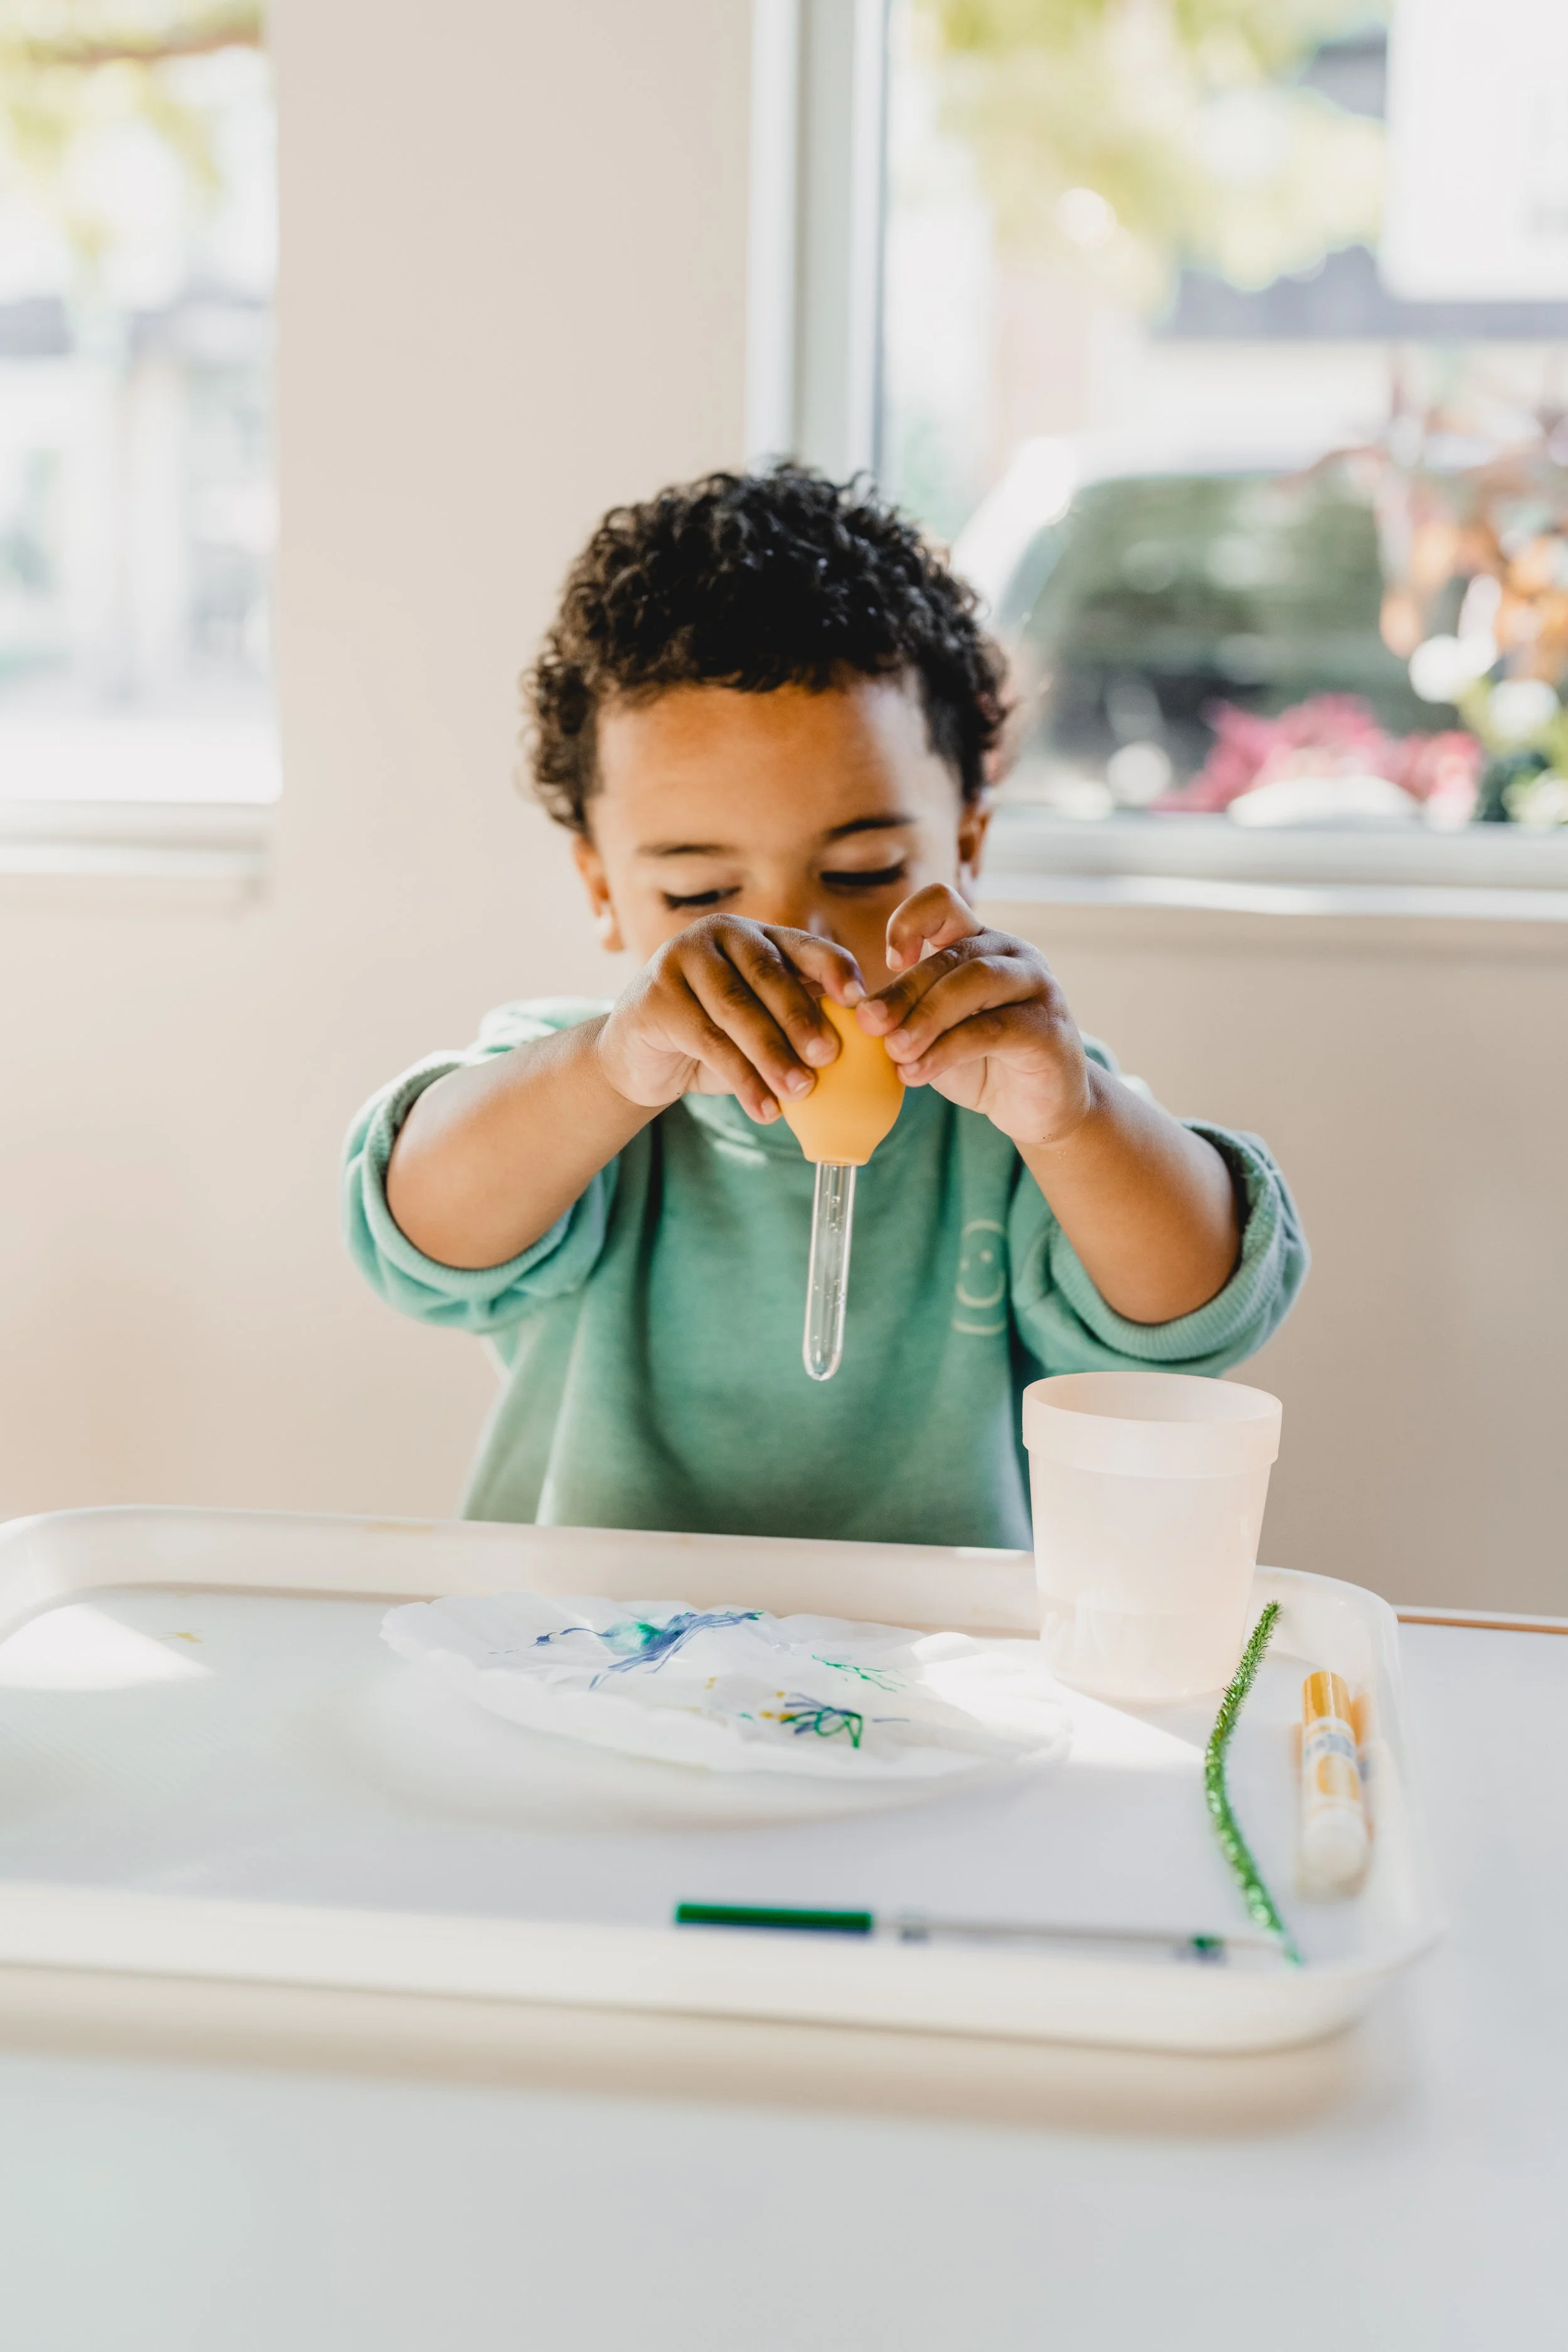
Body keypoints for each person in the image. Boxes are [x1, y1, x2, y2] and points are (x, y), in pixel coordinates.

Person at [344, 467, 1306, 1547]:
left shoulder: (1020, 1097)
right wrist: (608, 1069)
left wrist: (1076, 1118)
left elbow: (1198, 1317)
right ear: (604, 889)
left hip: (928, 1687)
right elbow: (415, 1235)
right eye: (702, 893)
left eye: (863, 870)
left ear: (966, 849)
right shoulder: (581, 1083)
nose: (796, 942)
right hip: (596, 1669)